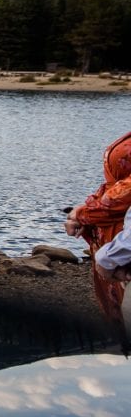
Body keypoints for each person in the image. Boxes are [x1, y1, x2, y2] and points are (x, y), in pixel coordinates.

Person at [65, 131, 131, 325]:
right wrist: (83, 212)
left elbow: (124, 193)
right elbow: (117, 188)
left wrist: (83, 214)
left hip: (122, 243)